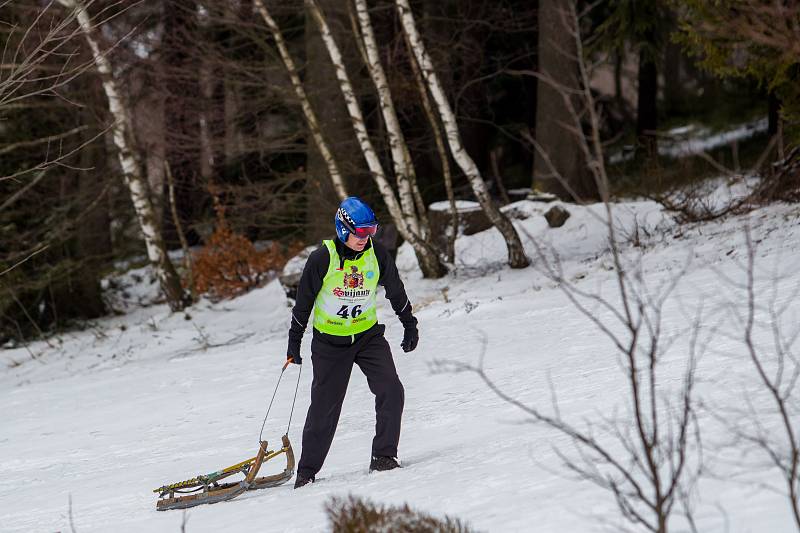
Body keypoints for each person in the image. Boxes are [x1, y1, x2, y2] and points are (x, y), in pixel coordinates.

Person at [286, 196, 419, 489]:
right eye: (360, 232)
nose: (365, 238)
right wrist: (293, 344)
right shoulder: (322, 258)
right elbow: (303, 304)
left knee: (391, 390)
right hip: (329, 344)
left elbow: (396, 290)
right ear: (343, 227)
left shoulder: (378, 254)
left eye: (370, 231)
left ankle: (384, 457)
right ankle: (306, 473)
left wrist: (410, 323)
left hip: (368, 337)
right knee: (325, 408)